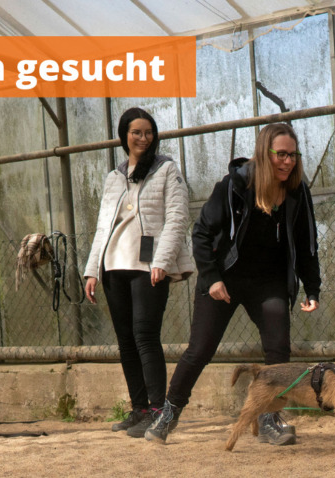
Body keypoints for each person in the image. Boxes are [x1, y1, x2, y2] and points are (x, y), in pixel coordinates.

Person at [145, 122, 322, 445]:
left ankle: (268, 419)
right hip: (224, 278)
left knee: (278, 350)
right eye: (281, 154)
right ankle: (168, 413)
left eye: (293, 155)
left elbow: (307, 245)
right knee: (200, 350)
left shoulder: (298, 192)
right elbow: (201, 233)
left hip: (269, 283)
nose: (288, 161)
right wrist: (211, 278)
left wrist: (312, 288)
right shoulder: (235, 186)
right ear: (264, 153)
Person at [82, 107, 196, 437]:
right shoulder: (114, 177)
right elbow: (103, 227)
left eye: (148, 132)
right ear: (124, 136)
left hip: (148, 267)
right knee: (126, 341)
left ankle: (158, 411)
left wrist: (162, 261)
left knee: (145, 336)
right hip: (114, 267)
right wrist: (92, 271)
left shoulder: (167, 169)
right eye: (136, 132)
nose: (143, 138)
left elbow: (177, 218)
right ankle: (139, 409)